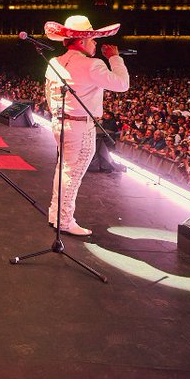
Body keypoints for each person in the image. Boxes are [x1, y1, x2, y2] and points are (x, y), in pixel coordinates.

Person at [43, 15, 129, 237]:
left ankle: (55, 214)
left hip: (59, 122)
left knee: (63, 169)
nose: (95, 44)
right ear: (81, 41)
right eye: (92, 39)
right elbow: (122, 84)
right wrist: (115, 58)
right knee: (72, 174)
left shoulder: (54, 62)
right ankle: (64, 220)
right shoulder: (92, 64)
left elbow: (48, 94)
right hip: (80, 126)